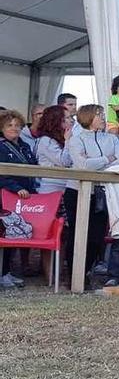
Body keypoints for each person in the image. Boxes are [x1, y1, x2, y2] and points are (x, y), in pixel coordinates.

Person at [65, 105, 119, 289]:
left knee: (96, 236)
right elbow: (82, 165)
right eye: (99, 115)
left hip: (102, 192)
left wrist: (97, 162)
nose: (103, 118)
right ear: (88, 117)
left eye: (103, 115)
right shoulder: (77, 139)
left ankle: (85, 270)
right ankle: (75, 275)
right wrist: (107, 159)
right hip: (77, 192)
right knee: (77, 233)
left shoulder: (112, 139)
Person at [0, 109, 39, 288]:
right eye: (9, 125)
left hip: (22, 199)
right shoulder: (0, 145)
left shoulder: (25, 146)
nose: (14, 128)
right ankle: (2, 273)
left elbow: (34, 168)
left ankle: (6, 272)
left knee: (14, 233)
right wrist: (17, 188)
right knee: (4, 234)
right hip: (5, 196)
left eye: (17, 125)